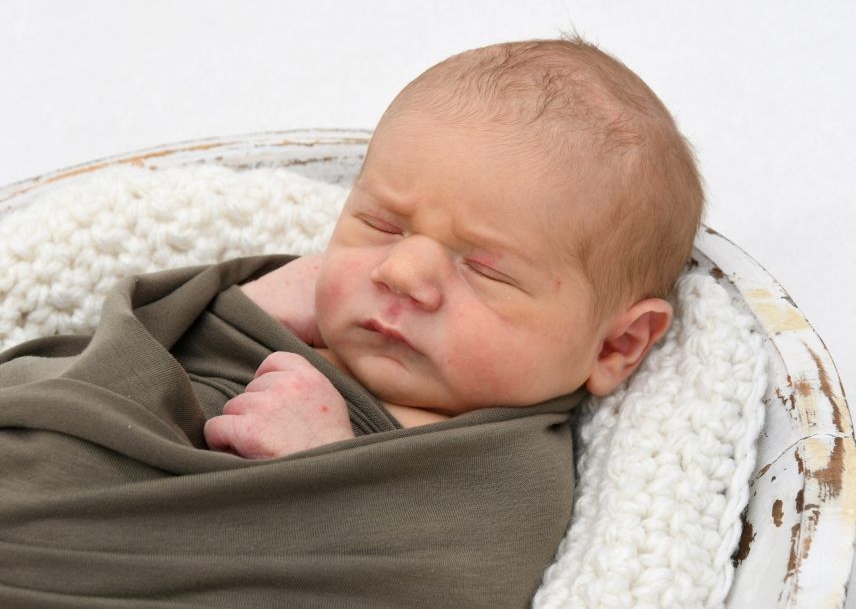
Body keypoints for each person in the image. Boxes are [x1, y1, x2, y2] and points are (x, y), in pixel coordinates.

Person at [204, 36, 704, 459]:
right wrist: (235, 307)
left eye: (486, 270)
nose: (400, 272)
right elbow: (133, 357)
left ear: (617, 344)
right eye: (380, 225)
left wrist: (317, 468)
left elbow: (442, 573)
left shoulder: (503, 465)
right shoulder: (265, 316)